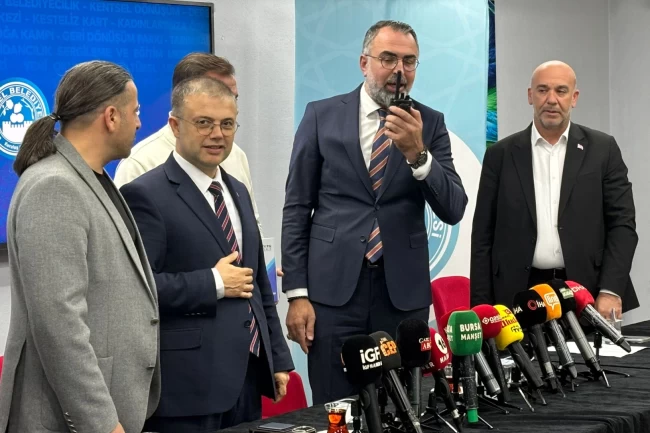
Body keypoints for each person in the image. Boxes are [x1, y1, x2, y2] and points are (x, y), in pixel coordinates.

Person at [282, 20, 467, 403]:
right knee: (335, 406)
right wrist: (297, 294)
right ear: (364, 63)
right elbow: (297, 207)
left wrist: (418, 154)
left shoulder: (429, 123)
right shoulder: (321, 115)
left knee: (400, 406)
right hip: (332, 295)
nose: (399, 70)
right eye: (388, 58)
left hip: (401, 295)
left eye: (409, 61)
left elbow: (453, 208)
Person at [120, 76, 293, 432]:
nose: (217, 134)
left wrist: (277, 358)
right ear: (175, 125)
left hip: (247, 378)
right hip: (187, 389)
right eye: (204, 123)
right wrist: (213, 282)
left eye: (227, 124)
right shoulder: (144, 194)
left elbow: (257, 282)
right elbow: (136, 290)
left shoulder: (238, 190)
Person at [0, 61, 160, 433]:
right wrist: (102, 423)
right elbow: (59, 325)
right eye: (135, 112)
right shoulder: (54, 186)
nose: (139, 123)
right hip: (69, 421)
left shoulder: (91, 179)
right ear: (111, 117)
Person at [470, 60, 638, 319]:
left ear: (574, 98)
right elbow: (483, 235)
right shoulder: (499, 155)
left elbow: (622, 225)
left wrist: (611, 289)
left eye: (561, 91)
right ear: (530, 95)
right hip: (517, 296)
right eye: (542, 90)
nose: (551, 99)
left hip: (587, 293)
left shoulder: (603, 149)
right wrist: (482, 307)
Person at [114, 53, 263, 232]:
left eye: (234, 97)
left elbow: (253, 231)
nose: (227, 103)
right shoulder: (140, 163)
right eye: (213, 92)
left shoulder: (236, 156)